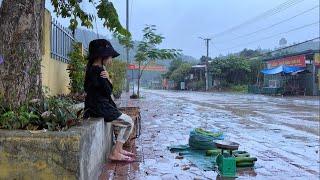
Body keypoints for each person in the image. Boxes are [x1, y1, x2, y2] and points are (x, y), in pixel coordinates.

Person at [83, 39, 135, 162]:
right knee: (129, 123)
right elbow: (108, 91)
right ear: (102, 56)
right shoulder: (99, 71)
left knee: (127, 121)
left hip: (96, 106)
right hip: (99, 108)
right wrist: (108, 78)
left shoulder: (93, 69)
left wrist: (108, 77)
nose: (111, 59)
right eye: (110, 56)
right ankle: (116, 152)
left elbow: (97, 89)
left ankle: (119, 149)